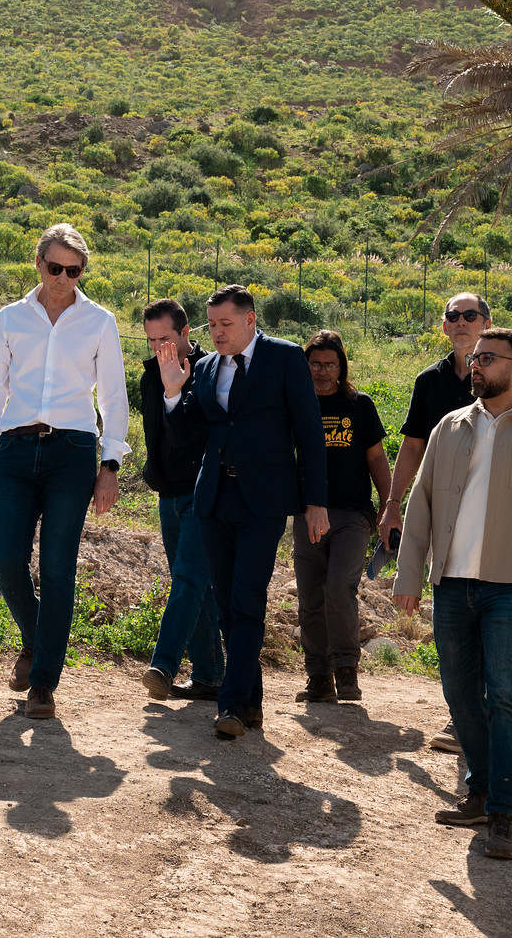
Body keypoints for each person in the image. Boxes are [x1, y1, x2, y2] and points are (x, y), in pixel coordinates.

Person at [394, 328, 512, 860]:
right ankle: (479, 791)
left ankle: (503, 813)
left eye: (487, 357)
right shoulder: (449, 426)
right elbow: (421, 502)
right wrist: (409, 576)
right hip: (452, 584)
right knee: (459, 694)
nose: (474, 364)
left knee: (504, 698)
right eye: (474, 357)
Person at [0, 223, 130, 721]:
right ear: (39, 264)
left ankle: (43, 684)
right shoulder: (10, 318)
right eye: (56, 268)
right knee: (6, 562)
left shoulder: (99, 321)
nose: (63, 278)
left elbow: (113, 397)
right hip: (15, 450)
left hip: (73, 453)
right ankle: (37, 640)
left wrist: (110, 464)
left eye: (74, 271)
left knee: (59, 568)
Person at [156, 285, 329, 740]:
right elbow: (186, 433)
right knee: (227, 607)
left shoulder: (284, 357)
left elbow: (310, 432)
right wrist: (173, 392)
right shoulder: (206, 367)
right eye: (212, 324)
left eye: (226, 324)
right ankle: (250, 701)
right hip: (214, 497)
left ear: (250, 320)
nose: (217, 333)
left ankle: (231, 704)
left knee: (246, 599)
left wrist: (316, 501)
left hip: (264, 500)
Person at [380, 290, 490, 753]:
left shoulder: (505, 375)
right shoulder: (429, 381)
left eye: (471, 315)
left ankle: (471, 718)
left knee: (483, 606)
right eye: (453, 316)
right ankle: (465, 715)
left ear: (486, 323)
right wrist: (393, 504)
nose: (461, 321)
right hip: (442, 509)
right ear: (444, 326)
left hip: (489, 510)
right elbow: (412, 446)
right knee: (452, 615)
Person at [293, 329, 389, 704]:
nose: (322, 371)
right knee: (310, 595)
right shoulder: (296, 404)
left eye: (329, 365)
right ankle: (318, 676)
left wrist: (390, 504)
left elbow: (376, 457)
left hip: (352, 514)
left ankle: (346, 669)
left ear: (341, 367)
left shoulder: (359, 405)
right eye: (315, 364)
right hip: (307, 514)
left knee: (338, 587)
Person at [136, 298, 223, 701]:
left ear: (186, 332)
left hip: (203, 494)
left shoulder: (210, 372)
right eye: (151, 340)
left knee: (189, 579)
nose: (158, 348)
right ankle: (209, 677)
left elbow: (197, 435)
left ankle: (163, 665)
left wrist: (178, 387)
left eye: (165, 339)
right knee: (193, 585)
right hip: (167, 495)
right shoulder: (149, 376)